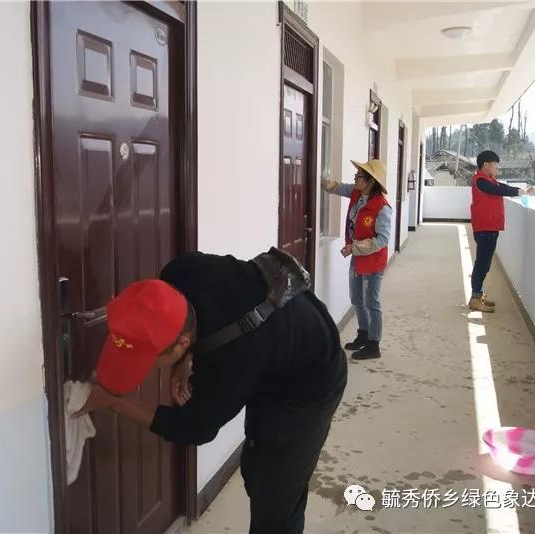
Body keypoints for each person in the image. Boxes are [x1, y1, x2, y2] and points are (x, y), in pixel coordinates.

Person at [77, 251, 347, 534]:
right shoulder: (179, 272)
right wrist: (184, 360)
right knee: (255, 469)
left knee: (274, 497)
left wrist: (115, 403)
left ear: (182, 342)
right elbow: (210, 313)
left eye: (146, 361)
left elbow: (195, 428)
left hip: (311, 383)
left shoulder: (233, 361)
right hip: (275, 351)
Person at [322, 159, 392, 360]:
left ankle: (373, 345)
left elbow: (382, 240)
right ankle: (363, 335)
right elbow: (335, 187)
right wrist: (318, 179)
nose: (355, 178)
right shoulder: (356, 193)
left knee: (371, 302)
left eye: (359, 176)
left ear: (370, 181)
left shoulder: (382, 208)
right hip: (358, 259)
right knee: (356, 299)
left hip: (373, 262)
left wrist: (354, 247)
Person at [468, 150, 535, 312]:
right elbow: (498, 190)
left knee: (484, 264)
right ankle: (475, 299)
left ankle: (478, 296)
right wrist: (520, 192)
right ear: (486, 165)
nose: (497, 168)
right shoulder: (480, 181)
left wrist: (521, 190)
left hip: (489, 228)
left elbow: (501, 187)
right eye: (496, 165)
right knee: (482, 264)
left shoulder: (490, 180)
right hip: (485, 228)